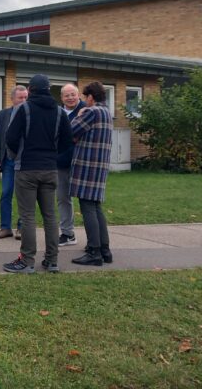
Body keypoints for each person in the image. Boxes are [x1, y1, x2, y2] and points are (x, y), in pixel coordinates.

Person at [3, 74, 72, 274]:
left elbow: (11, 137)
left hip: (26, 169)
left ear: (31, 90)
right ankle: (52, 260)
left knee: (28, 215)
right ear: (49, 90)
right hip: (50, 169)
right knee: (50, 216)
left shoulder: (24, 109)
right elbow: (68, 141)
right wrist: (53, 155)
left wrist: (17, 156)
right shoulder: (60, 113)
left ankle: (26, 260)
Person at [70, 81, 114, 266]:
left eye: (85, 97)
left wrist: (78, 114)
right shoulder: (107, 113)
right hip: (100, 166)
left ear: (91, 97)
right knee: (96, 207)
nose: (84, 101)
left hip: (87, 166)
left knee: (87, 207)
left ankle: (94, 252)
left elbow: (70, 130)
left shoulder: (91, 112)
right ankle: (105, 250)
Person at [0, 85, 28, 239]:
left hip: (24, 162)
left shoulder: (30, 114)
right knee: (6, 193)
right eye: (21, 97)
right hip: (7, 161)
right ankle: (5, 228)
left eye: (26, 97)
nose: (24, 100)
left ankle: (22, 228)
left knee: (23, 195)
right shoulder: (2, 115)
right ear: (12, 98)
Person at [56, 83, 86, 247]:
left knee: (86, 200)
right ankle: (68, 233)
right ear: (61, 98)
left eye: (73, 94)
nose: (70, 98)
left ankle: (93, 239)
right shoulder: (58, 112)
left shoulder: (86, 111)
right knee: (62, 197)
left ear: (78, 94)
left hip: (81, 162)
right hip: (61, 162)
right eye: (66, 95)